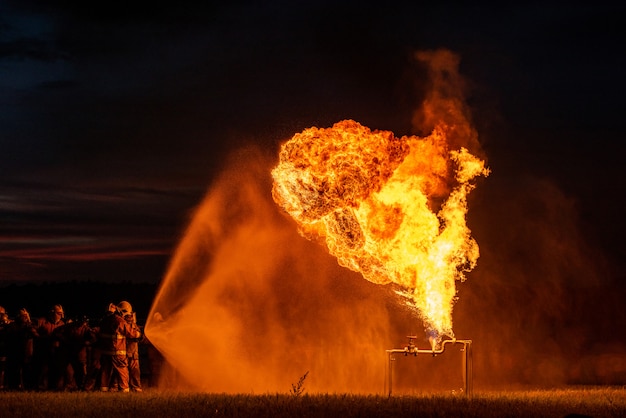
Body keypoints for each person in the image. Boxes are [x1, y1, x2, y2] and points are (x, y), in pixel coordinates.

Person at [98, 301, 141, 392]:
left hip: (106, 352)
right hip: (117, 352)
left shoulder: (106, 320)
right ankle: (124, 390)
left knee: (105, 371)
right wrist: (138, 334)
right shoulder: (119, 321)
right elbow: (129, 332)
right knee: (122, 371)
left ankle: (103, 390)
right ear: (123, 311)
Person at [34, 304, 66, 390]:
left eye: (61, 313)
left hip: (57, 350)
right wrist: (42, 338)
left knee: (57, 370)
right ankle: (41, 387)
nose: (61, 315)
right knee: (43, 369)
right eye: (59, 313)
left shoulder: (62, 324)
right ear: (52, 312)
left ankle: (56, 387)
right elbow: (33, 330)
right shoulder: (42, 321)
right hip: (44, 349)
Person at [5, 309, 37, 390]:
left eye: (27, 315)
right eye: (24, 315)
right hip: (15, 352)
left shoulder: (30, 326)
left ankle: (28, 387)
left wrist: (29, 322)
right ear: (18, 316)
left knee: (27, 371)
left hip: (27, 353)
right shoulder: (12, 326)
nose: (26, 317)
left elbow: (35, 334)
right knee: (14, 371)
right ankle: (13, 387)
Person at [0, 306, 13, 390]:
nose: (2, 316)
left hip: (4, 349)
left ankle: (2, 385)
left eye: (3, 314)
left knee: (3, 368)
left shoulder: (8, 324)